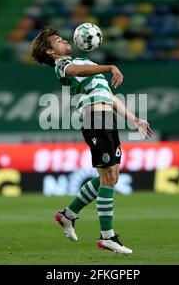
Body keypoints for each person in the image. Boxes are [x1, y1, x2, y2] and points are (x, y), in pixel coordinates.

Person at [30, 26, 153, 255]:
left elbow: (109, 96)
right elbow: (76, 70)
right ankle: (107, 236)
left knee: (111, 177)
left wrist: (135, 119)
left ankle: (67, 214)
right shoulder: (63, 66)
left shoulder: (85, 65)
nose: (64, 40)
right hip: (94, 119)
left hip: (107, 119)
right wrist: (109, 67)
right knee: (107, 177)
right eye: (57, 40)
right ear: (50, 52)